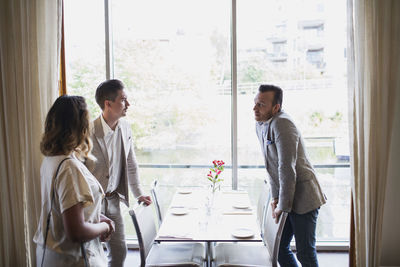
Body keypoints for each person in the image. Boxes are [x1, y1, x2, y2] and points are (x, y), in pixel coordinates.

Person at [34, 95, 115, 267]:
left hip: (50, 253)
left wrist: (96, 217)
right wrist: (105, 227)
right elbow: (76, 232)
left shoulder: (51, 160)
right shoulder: (69, 167)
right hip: (73, 259)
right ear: (80, 126)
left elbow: (63, 208)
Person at [253, 84, 326, 267]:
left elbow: (287, 167)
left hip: (304, 197)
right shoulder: (260, 124)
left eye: (261, 104)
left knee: (305, 253)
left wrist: (282, 206)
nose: (255, 108)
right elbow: (270, 165)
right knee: (279, 249)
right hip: (286, 194)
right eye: (255, 103)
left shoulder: (282, 123)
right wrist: (276, 197)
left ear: (275, 107)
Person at [86, 79, 152, 267]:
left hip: (114, 200)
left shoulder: (126, 127)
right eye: (123, 100)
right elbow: (79, 172)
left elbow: (131, 164)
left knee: (120, 251)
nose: (128, 104)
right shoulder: (87, 131)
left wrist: (139, 193)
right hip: (92, 204)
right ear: (108, 103)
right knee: (93, 254)